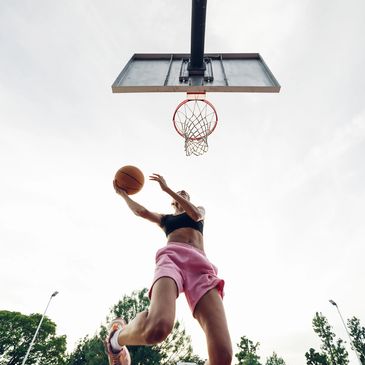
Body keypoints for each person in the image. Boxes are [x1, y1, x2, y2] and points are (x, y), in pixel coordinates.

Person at [105, 173, 232, 365]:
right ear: (173, 203)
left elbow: (196, 215)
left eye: (185, 193)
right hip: (171, 258)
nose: (182, 194)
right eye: (179, 195)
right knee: (158, 328)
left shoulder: (198, 210)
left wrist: (167, 189)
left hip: (200, 266)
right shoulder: (166, 219)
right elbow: (142, 212)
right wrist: (124, 195)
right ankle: (115, 341)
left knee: (223, 357)